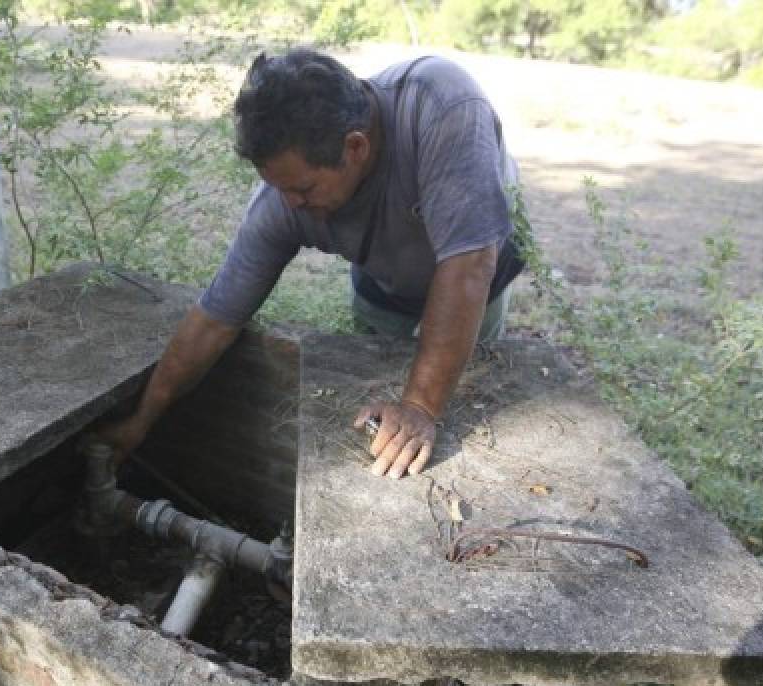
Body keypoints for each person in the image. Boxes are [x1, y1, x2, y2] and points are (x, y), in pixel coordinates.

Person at [101, 48, 525, 479]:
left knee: (460, 405)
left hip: (472, 282)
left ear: (355, 147)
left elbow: (468, 265)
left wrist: (419, 405)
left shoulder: (442, 108)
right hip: (385, 281)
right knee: (375, 411)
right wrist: (142, 420)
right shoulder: (282, 202)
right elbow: (215, 319)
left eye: (303, 190)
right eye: (279, 189)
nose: (292, 206)